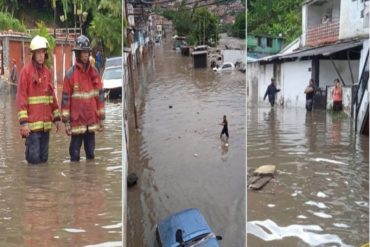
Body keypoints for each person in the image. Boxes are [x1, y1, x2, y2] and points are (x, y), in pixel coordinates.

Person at [16, 35, 61, 164]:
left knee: (44, 160)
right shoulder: (26, 72)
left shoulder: (47, 72)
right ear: (33, 54)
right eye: (38, 52)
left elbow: (52, 97)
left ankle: (41, 185)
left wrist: (57, 118)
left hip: (45, 126)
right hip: (32, 128)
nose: (41, 55)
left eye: (43, 52)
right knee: (34, 161)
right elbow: (21, 98)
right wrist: (24, 123)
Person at [61, 35, 105, 162]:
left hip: (91, 121)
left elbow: (100, 96)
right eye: (84, 52)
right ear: (78, 54)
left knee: (91, 154)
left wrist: (101, 119)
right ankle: (76, 180)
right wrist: (67, 122)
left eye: (87, 52)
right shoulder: (70, 74)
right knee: (74, 155)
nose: (86, 55)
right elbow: (65, 100)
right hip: (76, 123)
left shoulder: (94, 72)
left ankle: (89, 179)